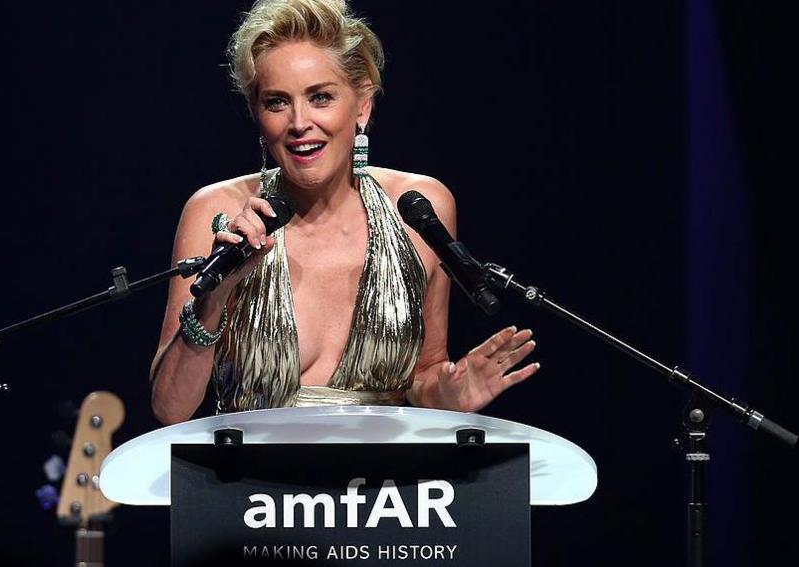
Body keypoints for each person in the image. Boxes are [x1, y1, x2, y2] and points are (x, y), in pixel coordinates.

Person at [150, 0, 538, 424]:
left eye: (320, 97)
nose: (299, 123)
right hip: (249, 483)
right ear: (256, 114)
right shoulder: (216, 211)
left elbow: (424, 375)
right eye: (277, 102)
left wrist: (449, 392)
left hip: (383, 483)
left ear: (362, 105)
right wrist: (215, 298)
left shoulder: (419, 207)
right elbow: (171, 409)